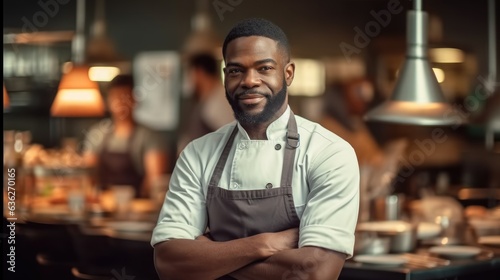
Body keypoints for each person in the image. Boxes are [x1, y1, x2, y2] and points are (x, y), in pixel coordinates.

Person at [151, 18, 359, 280]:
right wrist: (264, 245)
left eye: (264, 68)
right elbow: (168, 262)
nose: (249, 81)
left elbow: (314, 272)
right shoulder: (197, 154)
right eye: (236, 70)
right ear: (226, 77)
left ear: (288, 73)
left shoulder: (329, 153)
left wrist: (212, 255)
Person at [83, 74, 168, 198]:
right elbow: (88, 172)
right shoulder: (97, 133)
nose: (119, 103)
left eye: (124, 97)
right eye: (115, 97)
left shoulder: (149, 136)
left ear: (134, 100)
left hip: (137, 206)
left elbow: (155, 179)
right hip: (103, 204)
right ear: (108, 101)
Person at [177, 52, 235, 154]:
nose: (188, 79)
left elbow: (231, 139)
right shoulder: (203, 98)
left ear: (199, 72)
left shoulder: (220, 100)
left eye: (189, 73)